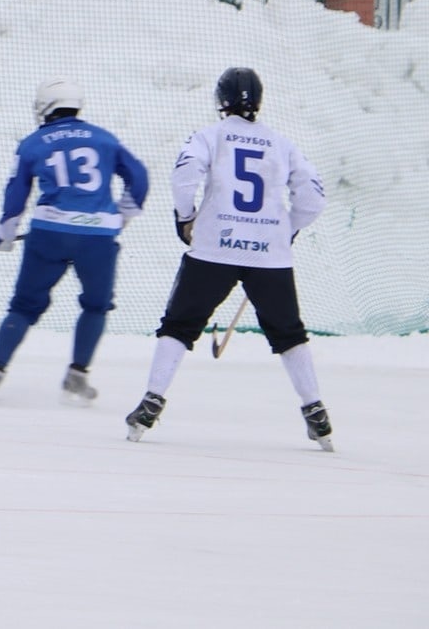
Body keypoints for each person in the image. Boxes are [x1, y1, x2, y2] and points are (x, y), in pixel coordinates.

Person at [125, 67, 332, 450]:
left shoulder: (209, 136)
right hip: (269, 255)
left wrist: (185, 217)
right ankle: (315, 410)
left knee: (179, 326)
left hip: (214, 247)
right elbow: (314, 198)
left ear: (220, 100)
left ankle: (152, 399)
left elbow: (185, 175)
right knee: (289, 334)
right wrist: (285, 231)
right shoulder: (282, 144)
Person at [0, 79, 149, 402]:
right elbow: (138, 176)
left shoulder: (33, 142)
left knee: (25, 305)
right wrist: (121, 216)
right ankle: (77, 374)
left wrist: (6, 230)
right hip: (98, 237)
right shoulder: (105, 139)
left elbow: (17, 192)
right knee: (96, 305)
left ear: (44, 107)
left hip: (49, 234)